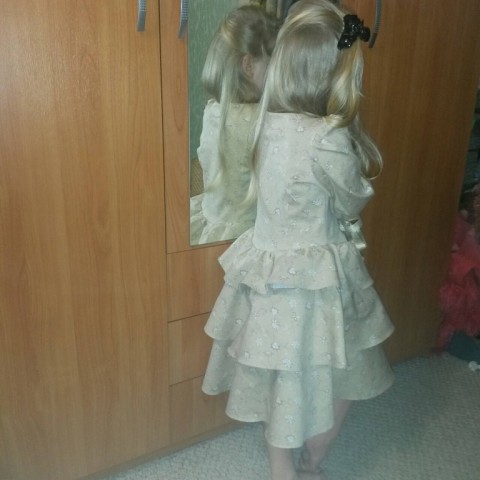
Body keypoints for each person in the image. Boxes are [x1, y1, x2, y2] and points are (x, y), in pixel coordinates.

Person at [201, 1, 394, 479]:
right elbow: (351, 200)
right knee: (351, 366)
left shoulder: (262, 122)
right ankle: (314, 457)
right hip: (317, 279)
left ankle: (282, 466)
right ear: (339, 77)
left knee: (282, 378)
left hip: (269, 278)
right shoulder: (328, 138)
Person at [189, 5, 279, 245]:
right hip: (245, 232)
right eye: (272, 64)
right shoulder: (262, 121)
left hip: (213, 219)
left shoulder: (213, 110)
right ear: (248, 66)